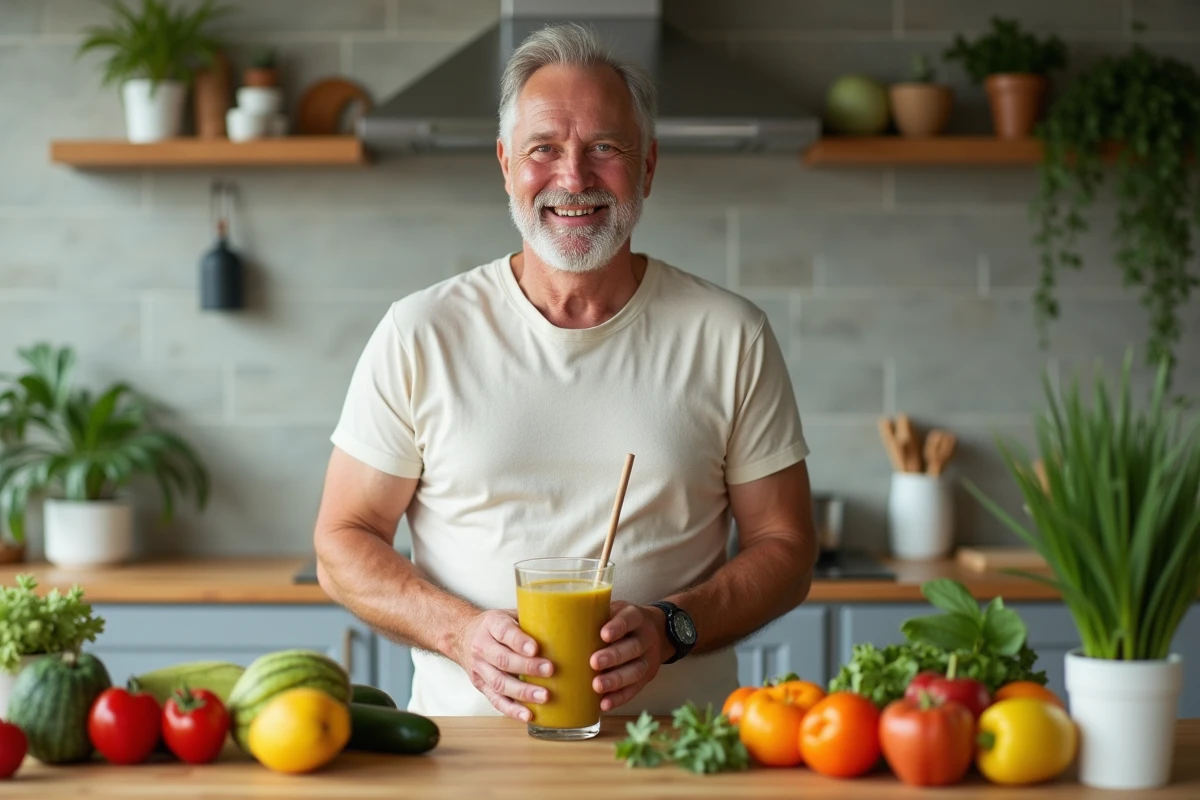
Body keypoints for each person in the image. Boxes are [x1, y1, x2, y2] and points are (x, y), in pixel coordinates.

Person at [314, 22, 816, 720]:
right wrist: (459, 634)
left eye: (604, 148)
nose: (573, 178)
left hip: (674, 753)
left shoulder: (730, 335)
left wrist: (674, 626)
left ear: (647, 166)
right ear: (505, 163)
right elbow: (342, 540)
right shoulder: (420, 332)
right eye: (543, 149)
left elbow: (786, 547)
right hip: (466, 758)